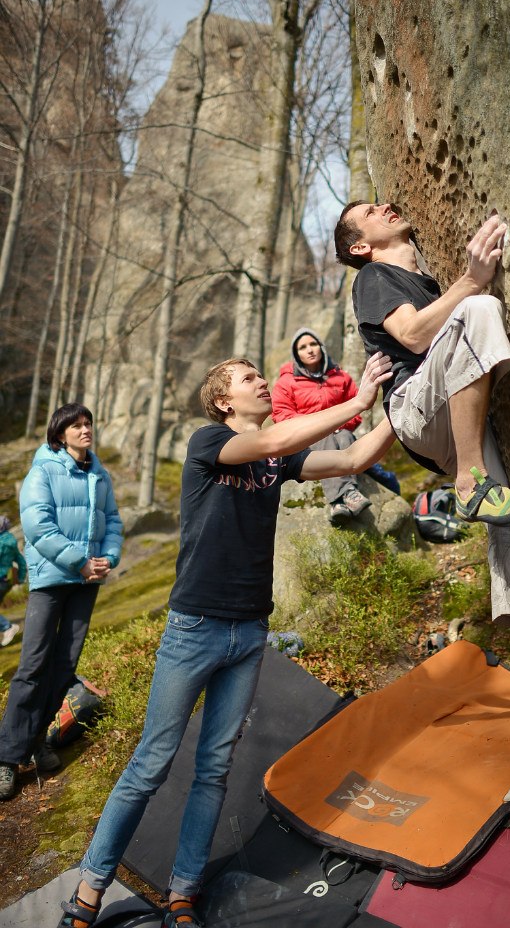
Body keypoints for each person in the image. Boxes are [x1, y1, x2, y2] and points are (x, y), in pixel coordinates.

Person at [57, 352, 395, 928]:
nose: (263, 381)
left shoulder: (279, 457)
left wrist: (407, 398)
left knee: (214, 767)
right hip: (195, 628)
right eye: (248, 379)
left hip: (249, 632)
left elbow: (358, 456)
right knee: (152, 762)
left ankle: (183, 892)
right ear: (223, 401)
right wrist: (354, 402)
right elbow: (267, 445)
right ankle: (89, 889)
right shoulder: (207, 442)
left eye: (261, 376)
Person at [334, 201, 510, 777]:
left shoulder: (422, 276)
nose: (385, 205)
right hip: (417, 404)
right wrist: (472, 277)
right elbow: (415, 335)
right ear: (360, 246)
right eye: (370, 211)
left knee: (509, 549)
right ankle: (471, 482)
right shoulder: (373, 278)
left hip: (450, 407)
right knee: (481, 309)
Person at [0, 404, 123, 803]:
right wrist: (79, 561)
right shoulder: (43, 470)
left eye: (88, 423)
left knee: (65, 665)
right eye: (77, 425)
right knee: (33, 663)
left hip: (86, 582)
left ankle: (35, 740)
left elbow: (113, 520)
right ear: (60, 433)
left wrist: (109, 557)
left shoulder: (99, 473)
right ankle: (5, 758)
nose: (85, 430)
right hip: (53, 579)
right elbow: (37, 525)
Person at [271, 327, 372, 524]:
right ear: (296, 354)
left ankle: (340, 505)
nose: (309, 350)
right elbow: (281, 414)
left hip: (338, 433)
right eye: (303, 347)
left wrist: (336, 424)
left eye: (313, 344)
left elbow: (356, 407)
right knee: (324, 436)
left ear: (321, 347)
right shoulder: (286, 381)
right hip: (305, 438)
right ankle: (346, 494)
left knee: (344, 436)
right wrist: (315, 425)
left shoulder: (341, 376)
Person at [0, 515, 26, 647]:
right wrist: (20, 578)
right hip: (7, 581)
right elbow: (21, 561)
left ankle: (7, 627)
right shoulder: (11, 541)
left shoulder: (1, 543)